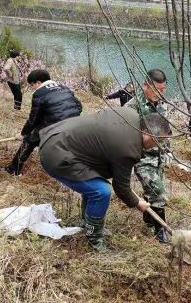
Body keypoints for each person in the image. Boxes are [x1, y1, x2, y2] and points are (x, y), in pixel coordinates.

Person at [39, 107, 170, 251]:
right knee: (100, 191)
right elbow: (121, 188)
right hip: (57, 154)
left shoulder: (129, 114)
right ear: (146, 133)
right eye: (158, 140)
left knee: (93, 182)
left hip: (58, 136)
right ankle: (94, 237)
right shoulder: (128, 148)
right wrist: (137, 202)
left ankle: (87, 223)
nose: (158, 145)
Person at [1, 69, 82, 177]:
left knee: (29, 140)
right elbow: (79, 106)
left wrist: (23, 134)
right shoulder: (64, 88)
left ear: (38, 82)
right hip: (74, 122)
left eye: (32, 85)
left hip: (55, 124)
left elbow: (33, 119)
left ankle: (13, 170)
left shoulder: (39, 94)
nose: (32, 88)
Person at [125, 69, 171, 243]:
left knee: (152, 190)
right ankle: (161, 231)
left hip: (158, 156)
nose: (161, 92)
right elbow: (125, 134)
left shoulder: (163, 104)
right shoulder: (132, 107)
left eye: (163, 88)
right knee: (158, 192)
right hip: (142, 157)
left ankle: (148, 218)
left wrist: (167, 149)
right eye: (157, 89)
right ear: (145, 85)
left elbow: (166, 129)